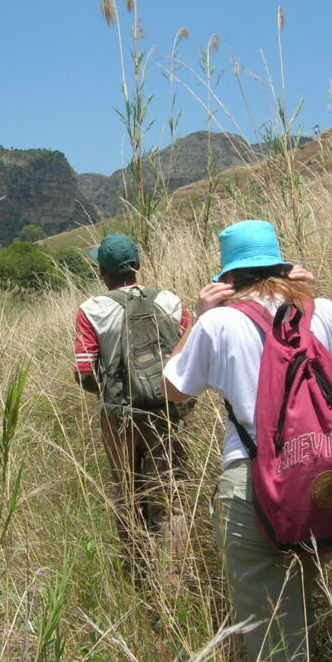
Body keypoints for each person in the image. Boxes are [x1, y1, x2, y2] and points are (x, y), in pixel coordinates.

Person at [161, 220, 332, 662]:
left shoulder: (219, 322)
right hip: (321, 474)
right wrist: (311, 298)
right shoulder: (323, 309)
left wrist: (199, 316)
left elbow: (173, 390)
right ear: (284, 265)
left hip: (252, 479)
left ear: (227, 278)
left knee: (266, 625)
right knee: (304, 593)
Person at [74, 233, 194, 585]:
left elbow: (83, 373)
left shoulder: (92, 310)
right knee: (168, 500)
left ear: (102, 271)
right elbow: (186, 357)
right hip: (166, 415)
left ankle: (137, 577)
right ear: (137, 266)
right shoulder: (171, 302)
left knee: (127, 495)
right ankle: (175, 587)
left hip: (119, 419)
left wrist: (112, 393)